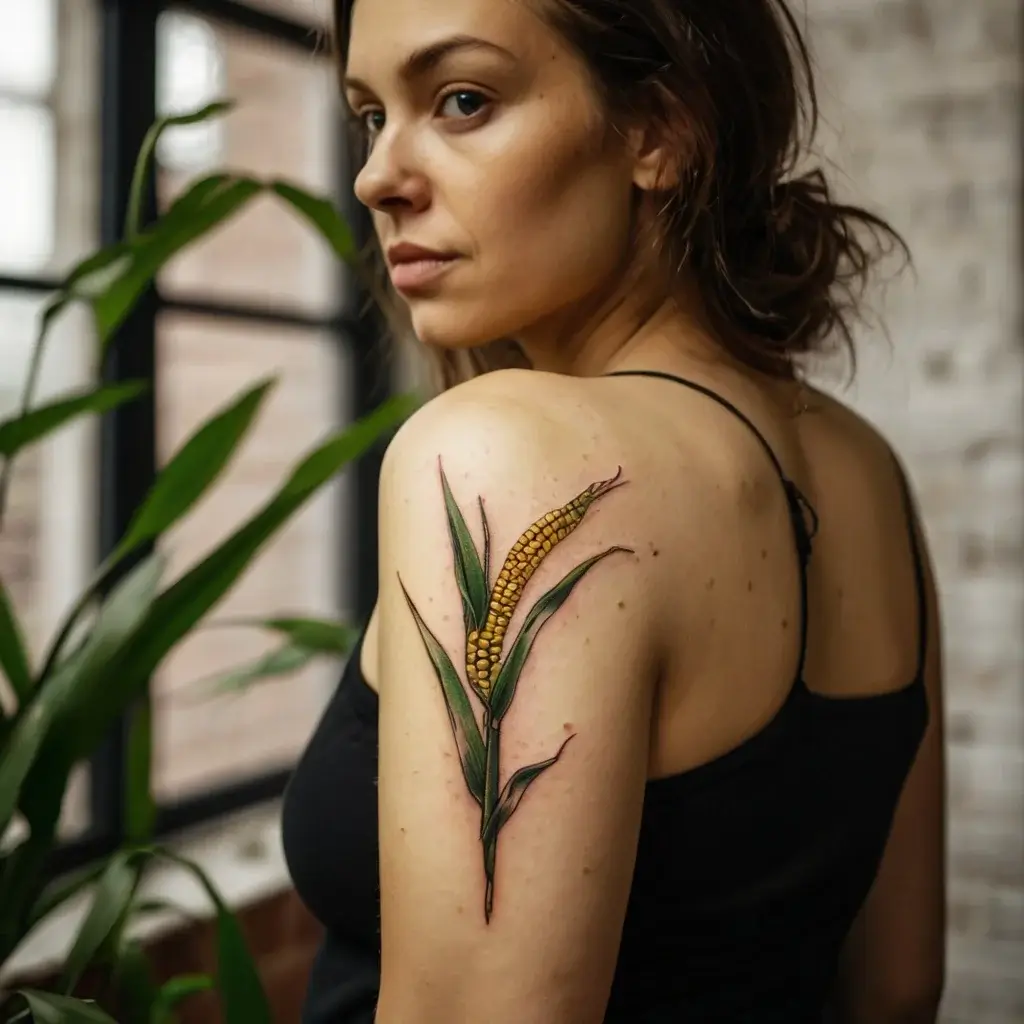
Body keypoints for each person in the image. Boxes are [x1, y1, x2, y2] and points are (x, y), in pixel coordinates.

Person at [281, 0, 947, 1020]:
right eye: (372, 114)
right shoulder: (863, 475)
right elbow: (895, 990)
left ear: (659, 129)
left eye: (462, 100)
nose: (376, 176)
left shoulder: (509, 455)